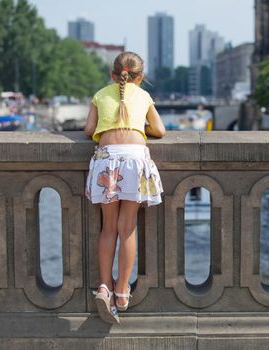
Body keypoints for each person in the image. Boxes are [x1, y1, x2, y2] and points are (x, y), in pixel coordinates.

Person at [84, 52, 166, 324]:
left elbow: (88, 130)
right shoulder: (143, 97)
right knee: (126, 227)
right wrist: (139, 126)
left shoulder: (100, 94)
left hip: (106, 158)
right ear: (140, 78)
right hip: (134, 158)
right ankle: (122, 290)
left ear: (113, 75)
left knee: (108, 228)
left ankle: (104, 286)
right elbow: (160, 130)